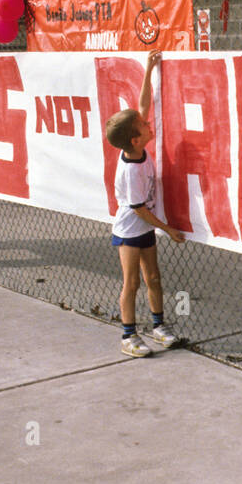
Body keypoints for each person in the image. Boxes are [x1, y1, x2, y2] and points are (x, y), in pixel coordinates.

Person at [103, 50, 185, 357]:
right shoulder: (132, 170)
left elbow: (143, 104)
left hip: (144, 226)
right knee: (132, 281)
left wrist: (149, 68)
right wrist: (169, 230)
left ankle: (159, 327)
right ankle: (128, 335)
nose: (149, 123)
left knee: (153, 277)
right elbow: (139, 210)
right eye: (144, 126)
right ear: (136, 140)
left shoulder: (135, 145)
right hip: (130, 229)